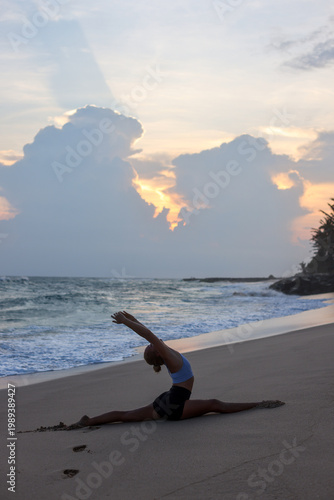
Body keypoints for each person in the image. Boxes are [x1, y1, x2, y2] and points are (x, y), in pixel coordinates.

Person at [70, 311, 284, 428]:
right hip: (175, 404)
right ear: (157, 353)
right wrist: (126, 322)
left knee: (126, 416)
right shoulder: (168, 356)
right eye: (152, 346)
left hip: (167, 400)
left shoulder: (167, 353)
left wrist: (134, 319)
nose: (153, 342)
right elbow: (148, 336)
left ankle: (89, 421)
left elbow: (150, 333)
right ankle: (259, 404)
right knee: (215, 405)